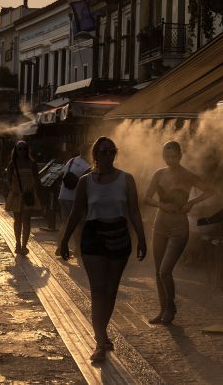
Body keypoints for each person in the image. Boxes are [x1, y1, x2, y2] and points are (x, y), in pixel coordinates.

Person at [59, 136, 147, 362]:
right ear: (95, 155)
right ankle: (100, 340)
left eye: (111, 151)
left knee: (111, 290)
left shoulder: (126, 179)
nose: (108, 155)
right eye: (103, 151)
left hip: (119, 235)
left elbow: (134, 211)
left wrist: (142, 238)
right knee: (97, 289)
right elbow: (76, 213)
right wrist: (64, 240)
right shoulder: (85, 182)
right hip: (93, 236)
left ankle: (103, 334)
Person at [144, 141, 214, 324]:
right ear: (163, 156)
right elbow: (147, 198)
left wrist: (191, 203)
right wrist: (161, 204)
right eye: (167, 156)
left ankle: (171, 306)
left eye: (174, 156)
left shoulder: (187, 175)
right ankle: (163, 309)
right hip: (160, 224)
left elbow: (210, 190)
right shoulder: (158, 174)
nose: (170, 160)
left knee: (165, 270)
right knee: (158, 271)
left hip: (179, 226)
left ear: (180, 155)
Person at [5, 140, 43, 256]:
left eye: (24, 149)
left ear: (27, 150)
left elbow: (37, 179)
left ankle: (24, 245)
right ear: (16, 150)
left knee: (26, 220)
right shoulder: (12, 163)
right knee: (17, 220)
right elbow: (8, 178)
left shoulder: (32, 164)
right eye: (19, 149)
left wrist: (38, 194)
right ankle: (17, 243)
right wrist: (12, 189)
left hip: (28, 195)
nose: (22, 151)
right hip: (16, 194)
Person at [56, 144, 92, 258]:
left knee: (65, 222)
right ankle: (77, 249)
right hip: (74, 197)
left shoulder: (71, 161)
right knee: (77, 224)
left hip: (63, 195)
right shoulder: (86, 166)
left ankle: (59, 246)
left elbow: (62, 174)